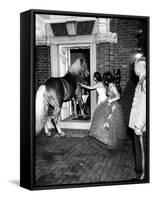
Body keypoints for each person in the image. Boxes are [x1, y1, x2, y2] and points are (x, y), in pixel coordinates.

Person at [89, 71, 126, 149]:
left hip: (113, 106)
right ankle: (104, 139)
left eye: (104, 78)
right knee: (102, 121)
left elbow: (119, 96)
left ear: (107, 79)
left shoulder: (112, 86)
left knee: (110, 123)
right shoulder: (109, 85)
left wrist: (111, 100)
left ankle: (111, 141)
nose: (104, 79)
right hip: (107, 104)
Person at [129, 56, 146, 180]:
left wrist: (139, 125)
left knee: (144, 153)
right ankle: (141, 176)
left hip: (141, 126)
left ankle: (144, 179)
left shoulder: (145, 81)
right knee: (140, 152)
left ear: (140, 67)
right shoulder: (142, 80)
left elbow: (145, 105)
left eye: (135, 66)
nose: (133, 68)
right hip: (139, 124)